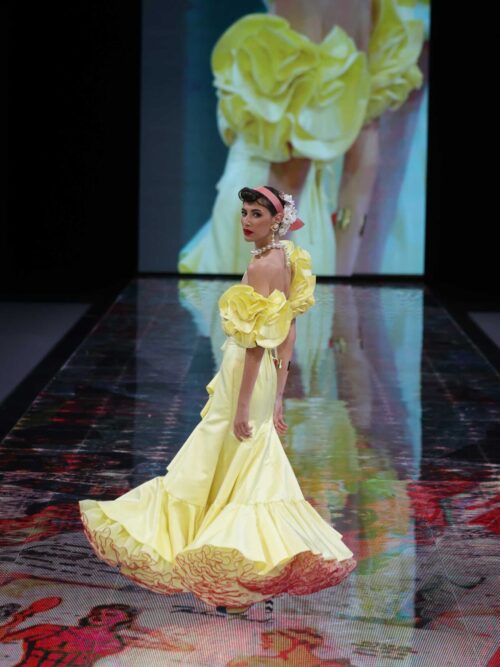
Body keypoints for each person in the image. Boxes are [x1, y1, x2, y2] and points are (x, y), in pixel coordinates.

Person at [80, 186, 356, 613]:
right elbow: (287, 330)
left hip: (244, 377)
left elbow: (255, 343)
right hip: (263, 379)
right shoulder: (288, 258)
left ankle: (233, 565)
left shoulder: (264, 265)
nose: (246, 221)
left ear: (276, 220)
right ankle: (245, 571)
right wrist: (277, 394)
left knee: (218, 458)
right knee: (243, 466)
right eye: (244, 212)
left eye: (256, 214)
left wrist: (244, 404)